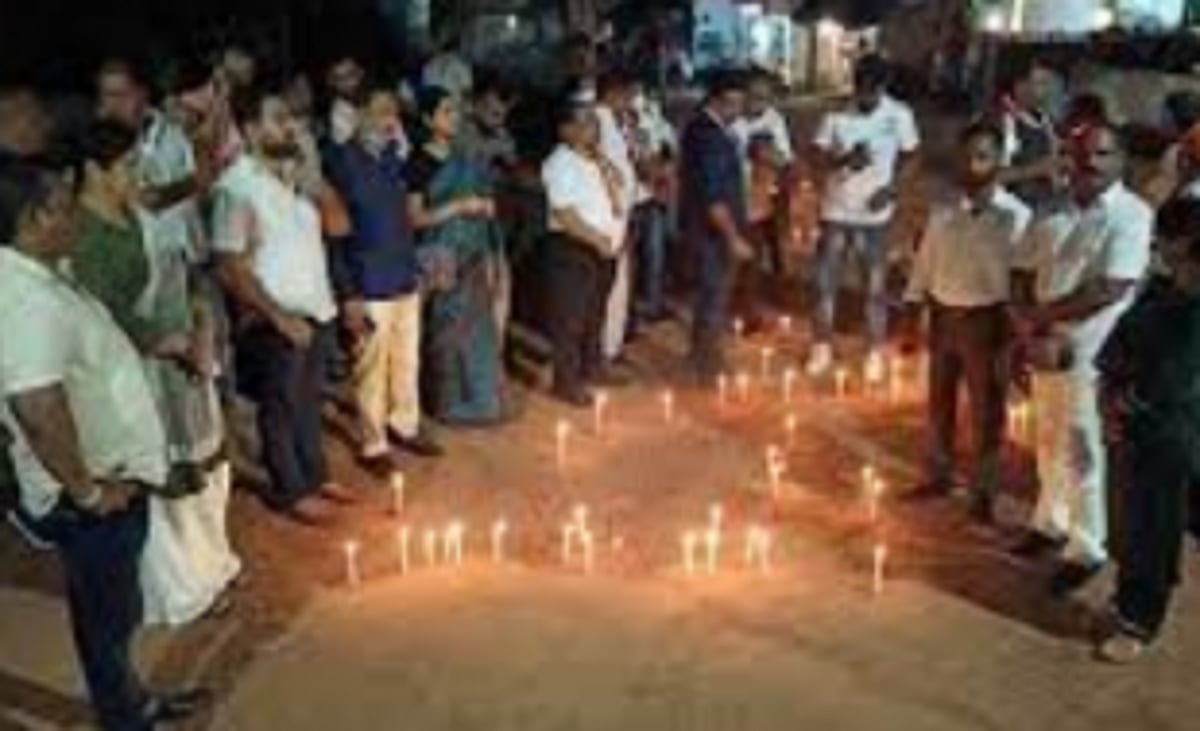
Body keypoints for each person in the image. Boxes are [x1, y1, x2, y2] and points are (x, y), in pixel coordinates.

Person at [0, 149, 209, 730]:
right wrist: (89, 493)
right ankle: (125, 717)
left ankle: (129, 704)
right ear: (37, 218)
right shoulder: (24, 302)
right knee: (106, 618)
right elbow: (37, 409)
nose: (77, 219)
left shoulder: (40, 278)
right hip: (91, 496)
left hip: (107, 480)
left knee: (111, 616)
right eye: (66, 208)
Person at [93, 65, 243, 625]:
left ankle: (210, 565)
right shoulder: (100, 232)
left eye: (120, 93)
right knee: (166, 475)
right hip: (149, 364)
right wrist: (172, 342)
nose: (138, 175)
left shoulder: (146, 213)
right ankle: (181, 588)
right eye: (128, 168)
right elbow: (113, 311)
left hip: (184, 346)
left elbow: (182, 255)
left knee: (205, 462)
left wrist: (200, 331)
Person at [1010, 122, 1153, 596]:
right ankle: (1049, 522)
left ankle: (1087, 547)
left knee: (1082, 448)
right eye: (1081, 153)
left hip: (1091, 352)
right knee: (1045, 437)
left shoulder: (1132, 215)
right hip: (1043, 345)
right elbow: (1022, 272)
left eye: (1103, 154)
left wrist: (1041, 320)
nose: (1090, 162)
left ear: (1121, 161)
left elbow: (1110, 287)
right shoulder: (1050, 209)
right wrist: (1024, 329)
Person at [212, 82, 351, 525]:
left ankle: (314, 475)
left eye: (290, 118)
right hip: (274, 316)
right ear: (250, 130)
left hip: (317, 308)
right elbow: (230, 264)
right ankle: (290, 490)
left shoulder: (295, 179)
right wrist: (277, 315)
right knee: (281, 404)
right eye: (277, 118)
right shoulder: (237, 186)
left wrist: (314, 179)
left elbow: (340, 226)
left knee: (308, 401)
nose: (289, 126)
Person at [901, 121, 1032, 524]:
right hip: (944, 315)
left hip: (987, 321)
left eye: (983, 156)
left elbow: (1022, 279)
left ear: (999, 161)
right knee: (938, 402)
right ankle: (938, 474)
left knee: (986, 410)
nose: (973, 165)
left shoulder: (1016, 217)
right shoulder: (944, 211)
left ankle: (983, 492)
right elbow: (925, 264)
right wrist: (912, 310)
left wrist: (1016, 337)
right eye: (967, 156)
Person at [1095, 197, 1200, 663]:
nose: (1165, 249)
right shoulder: (1158, 295)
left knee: (1154, 530)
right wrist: (1111, 396)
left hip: (1174, 436)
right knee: (1137, 527)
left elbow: (1177, 379)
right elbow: (1121, 346)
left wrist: (1129, 403)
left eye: (1175, 241)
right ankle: (1133, 602)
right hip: (1142, 435)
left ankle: (1138, 620)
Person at [324, 84, 443, 469]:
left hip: (403, 274)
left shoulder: (394, 156)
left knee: (406, 360)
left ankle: (404, 424)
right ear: (358, 116)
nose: (388, 119)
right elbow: (335, 234)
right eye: (378, 111)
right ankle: (373, 444)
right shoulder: (340, 162)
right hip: (368, 280)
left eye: (392, 112)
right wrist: (348, 292)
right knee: (370, 368)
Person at [807, 55, 920, 385]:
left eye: (872, 93)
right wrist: (843, 159)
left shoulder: (899, 115)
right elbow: (814, 156)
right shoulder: (835, 115)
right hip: (836, 213)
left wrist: (892, 190)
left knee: (874, 288)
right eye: (861, 92)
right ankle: (822, 345)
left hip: (876, 217)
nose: (865, 99)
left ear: (883, 88)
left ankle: (873, 350)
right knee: (825, 285)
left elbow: (914, 156)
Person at [406, 86, 508, 427]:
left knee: (478, 329)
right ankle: (446, 402)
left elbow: (487, 203)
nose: (455, 117)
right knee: (445, 330)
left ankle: (481, 401)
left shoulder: (468, 157)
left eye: (456, 110)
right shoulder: (418, 163)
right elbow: (415, 218)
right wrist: (459, 207)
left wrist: (486, 211)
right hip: (438, 255)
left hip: (474, 251)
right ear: (427, 120)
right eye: (446, 111)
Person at [541, 97, 625, 407]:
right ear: (566, 130)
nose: (595, 128)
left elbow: (617, 188)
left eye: (595, 122)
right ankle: (566, 381)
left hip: (602, 249)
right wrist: (596, 239)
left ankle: (592, 367)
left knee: (594, 313)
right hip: (573, 248)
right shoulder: (559, 163)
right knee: (570, 318)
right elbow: (565, 213)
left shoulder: (593, 159)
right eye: (586, 122)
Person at [679, 69, 752, 383]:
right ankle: (708, 365)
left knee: (709, 295)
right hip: (711, 233)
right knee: (715, 295)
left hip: (700, 227)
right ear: (724, 101)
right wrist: (733, 237)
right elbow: (714, 196)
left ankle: (699, 355)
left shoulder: (698, 128)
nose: (741, 111)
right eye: (737, 104)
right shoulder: (711, 138)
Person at [594, 71, 637, 364]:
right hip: (608, 218)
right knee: (607, 286)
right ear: (613, 93)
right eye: (627, 96)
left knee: (619, 283)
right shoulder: (598, 122)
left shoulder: (615, 123)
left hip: (620, 216)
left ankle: (612, 344)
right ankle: (604, 348)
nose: (631, 102)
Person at [629, 78, 677, 323]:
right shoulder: (619, 125)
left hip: (652, 197)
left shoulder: (652, 119)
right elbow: (640, 164)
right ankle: (630, 309)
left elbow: (667, 147)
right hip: (631, 200)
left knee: (655, 252)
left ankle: (653, 303)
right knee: (633, 257)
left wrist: (663, 170)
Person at [998, 59, 1063, 211]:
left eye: (1049, 84)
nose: (1047, 91)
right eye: (1041, 84)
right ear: (1020, 86)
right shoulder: (1004, 120)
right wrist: (1040, 168)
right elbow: (993, 176)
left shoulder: (1044, 119)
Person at [733, 69, 794, 166]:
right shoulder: (732, 115)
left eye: (761, 98)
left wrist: (771, 155)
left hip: (763, 173)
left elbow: (786, 158)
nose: (753, 102)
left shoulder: (774, 119)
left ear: (770, 100)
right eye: (750, 95)